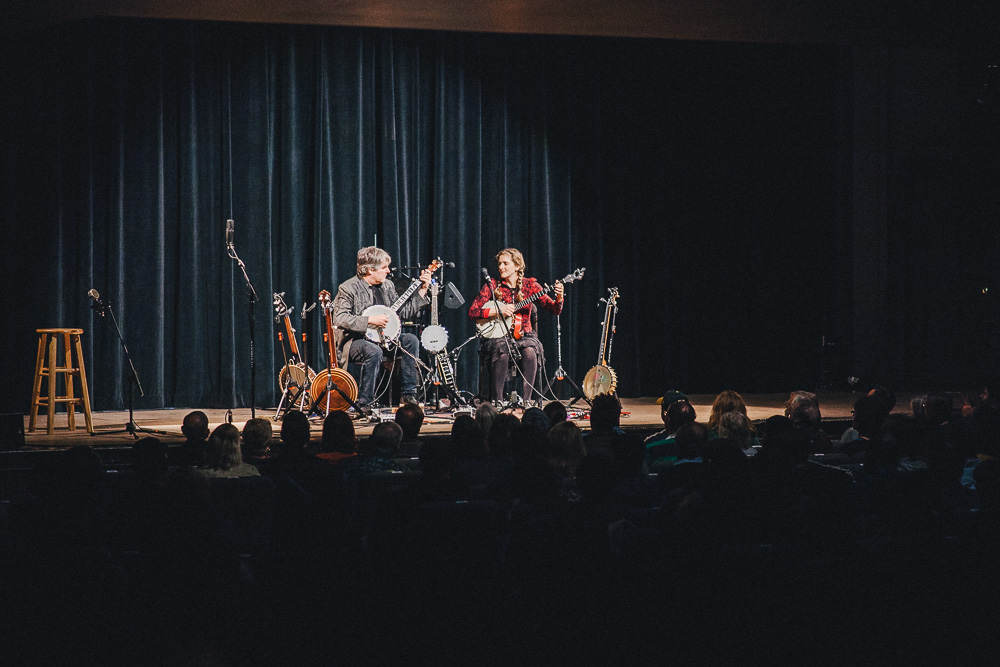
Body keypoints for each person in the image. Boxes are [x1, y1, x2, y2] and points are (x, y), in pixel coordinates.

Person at [333, 246, 432, 412]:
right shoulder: (348, 288)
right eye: (384, 267)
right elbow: (340, 318)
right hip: (355, 341)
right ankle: (365, 403)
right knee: (373, 350)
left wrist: (423, 289)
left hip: (385, 339)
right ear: (371, 270)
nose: (388, 271)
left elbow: (405, 312)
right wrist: (369, 320)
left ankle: (408, 395)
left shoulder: (387, 286)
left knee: (410, 340)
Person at [468, 248, 564, 406]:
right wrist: (497, 311)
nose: (501, 267)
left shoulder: (530, 285)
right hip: (498, 336)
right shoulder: (492, 285)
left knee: (530, 351)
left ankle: (527, 402)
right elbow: (473, 311)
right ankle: (498, 401)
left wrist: (559, 296)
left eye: (506, 263)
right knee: (502, 350)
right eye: (499, 264)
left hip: (524, 334)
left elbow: (554, 310)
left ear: (517, 266)